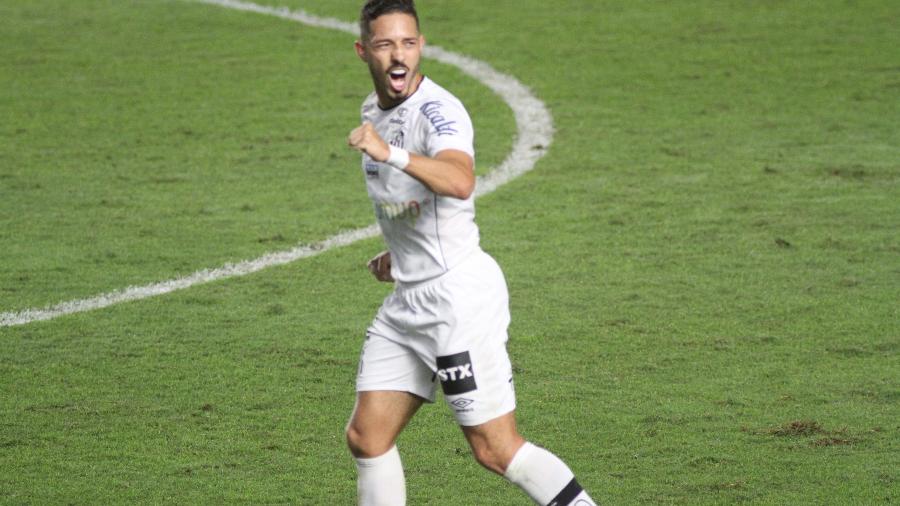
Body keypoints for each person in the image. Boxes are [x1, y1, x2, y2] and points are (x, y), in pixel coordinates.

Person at [346, 1, 596, 505]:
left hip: (455, 302)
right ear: (363, 51)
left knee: (495, 449)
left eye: (409, 43)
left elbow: (459, 181)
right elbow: (417, 202)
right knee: (367, 436)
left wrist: (388, 153)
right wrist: (400, 252)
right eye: (386, 44)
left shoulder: (440, 113)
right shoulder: (374, 111)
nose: (399, 55)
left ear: (422, 46)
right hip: (409, 299)